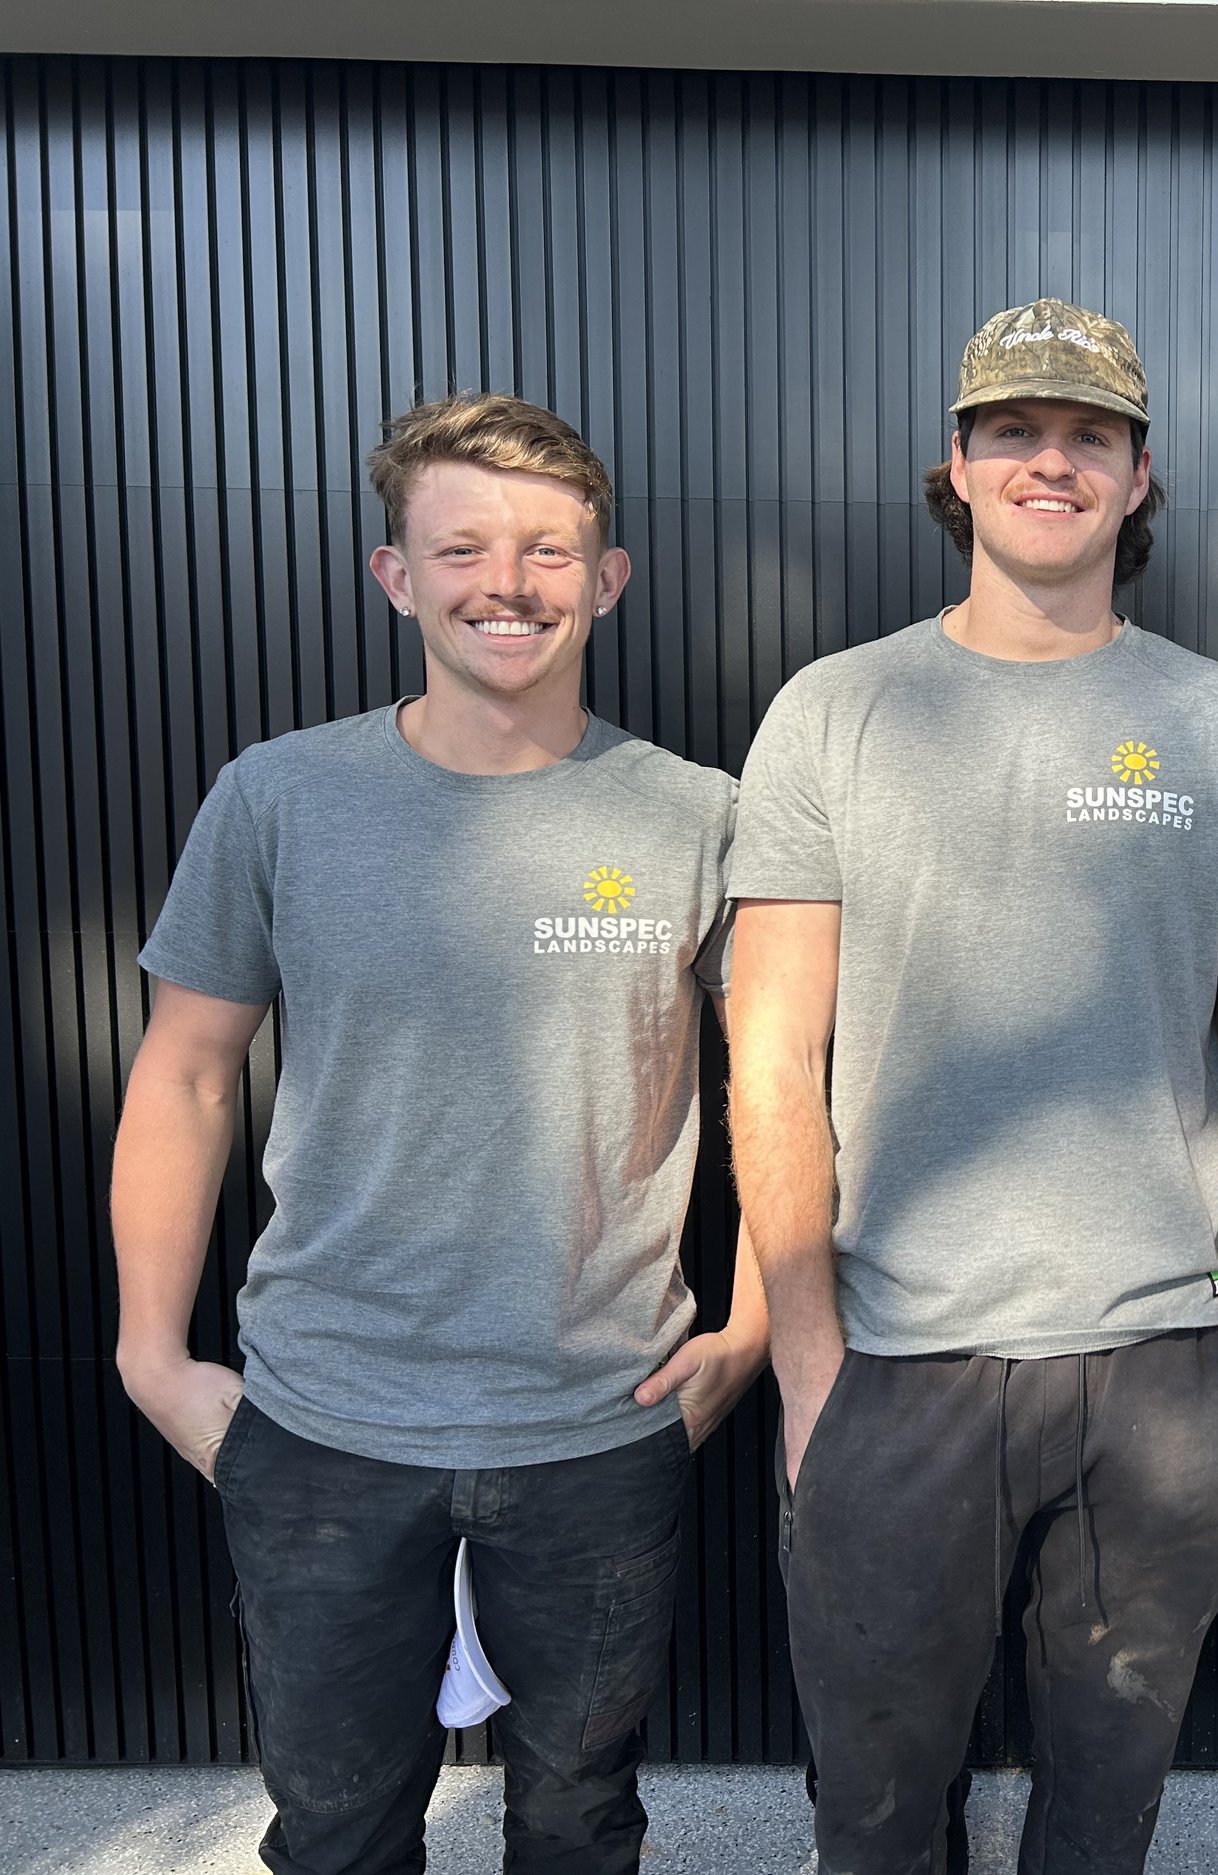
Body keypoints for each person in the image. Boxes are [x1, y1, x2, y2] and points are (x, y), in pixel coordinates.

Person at [112, 393, 766, 1874]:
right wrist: (152, 1356)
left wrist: (758, 1323)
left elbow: (785, 1089)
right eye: (461, 546)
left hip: (600, 1419)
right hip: (326, 1421)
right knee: (337, 1828)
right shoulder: (279, 800)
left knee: (581, 1819)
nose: (508, 584)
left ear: (607, 578)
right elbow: (185, 1075)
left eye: (550, 550)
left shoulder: (696, 817)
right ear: (394, 575)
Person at [729, 297, 1218, 1875]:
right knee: (871, 1825)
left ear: (1141, 477)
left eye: (1091, 435)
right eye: (1015, 429)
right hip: (893, 1364)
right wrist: (808, 1365)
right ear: (958, 464)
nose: (1050, 462)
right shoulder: (831, 712)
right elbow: (774, 1059)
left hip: (1155, 1369)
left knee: (1102, 1821)